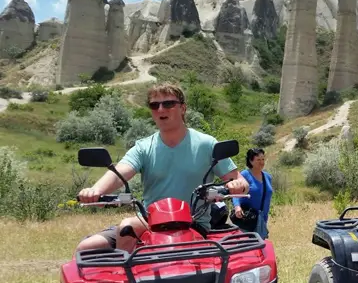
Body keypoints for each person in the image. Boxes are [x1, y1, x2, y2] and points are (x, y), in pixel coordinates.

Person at [76, 82, 249, 253]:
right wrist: (96, 190)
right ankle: (125, 279)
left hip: (192, 222)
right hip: (149, 221)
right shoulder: (144, 147)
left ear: (183, 108)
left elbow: (238, 180)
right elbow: (119, 173)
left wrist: (237, 185)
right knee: (87, 248)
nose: (160, 109)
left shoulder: (207, 144)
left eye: (168, 104)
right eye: (154, 105)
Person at [231, 147, 273, 239]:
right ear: (251, 161)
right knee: (245, 248)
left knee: (260, 249)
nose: (261, 162)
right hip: (246, 219)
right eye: (258, 160)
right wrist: (237, 207)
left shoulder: (268, 177)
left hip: (261, 220)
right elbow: (235, 194)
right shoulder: (245, 175)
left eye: (263, 159)